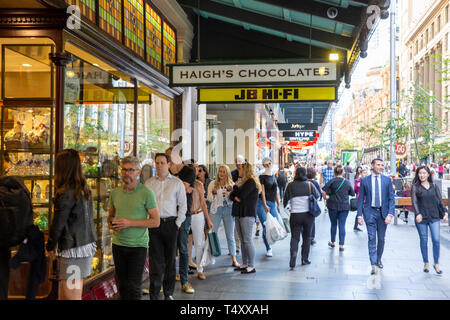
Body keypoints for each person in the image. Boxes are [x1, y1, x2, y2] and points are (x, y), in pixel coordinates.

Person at [46, 149, 97, 300]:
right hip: (83, 245)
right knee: (68, 293)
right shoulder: (82, 188)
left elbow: (58, 224)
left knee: (71, 295)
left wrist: (49, 246)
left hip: (73, 249)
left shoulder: (66, 192)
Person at [108, 156, 160, 300]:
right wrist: (112, 224)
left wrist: (129, 223)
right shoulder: (115, 193)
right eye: (124, 169)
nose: (126, 173)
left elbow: (156, 221)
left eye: (131, 170)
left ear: (138, 172)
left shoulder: (146, 193)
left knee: (133, 286)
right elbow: (110, 216)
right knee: (123, 286)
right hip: (118, 244)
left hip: (138, 246)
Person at [144, 153, 187, 300]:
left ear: (168, 164)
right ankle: (154, 294)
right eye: (157, 163)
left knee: (170, 260)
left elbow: (183, 205)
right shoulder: (149, 183)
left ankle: (168, 293)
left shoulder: (176, 183)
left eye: (162, 163)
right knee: (155, 262)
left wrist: (177, 224)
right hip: (154, 225)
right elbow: (144, 205)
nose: (159, 165)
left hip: (171, 225)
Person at [165, 147, 196, 294]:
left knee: (182, 248)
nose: (167, 161)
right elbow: (177, 189)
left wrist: (176, 185)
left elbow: (182, 188)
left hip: (184, 214)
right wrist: (181, 187)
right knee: (167, 249)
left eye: (169, 157)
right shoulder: (168, 172)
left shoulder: (189, 171)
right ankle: (164, 282)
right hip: (167, 214)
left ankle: (184, 281)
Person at [356, 158, 395, 275]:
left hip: (383, 214)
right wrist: (359, 215)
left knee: (381, 239)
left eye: (382, 165)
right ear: (372, 166)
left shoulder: (387, 180)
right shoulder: (365, 181)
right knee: (372, 238)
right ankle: (373, 263)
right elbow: (360, 199)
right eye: (378, 165)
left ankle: (378, 258)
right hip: (370, 213)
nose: (381, 167)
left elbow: (391, 199)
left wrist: (390, 214)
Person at [411, 166, 448, 274]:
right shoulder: (415, 187)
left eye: (424, 173)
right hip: (421, 217)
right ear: (418, 174)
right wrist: (417, 213)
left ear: (428, 174)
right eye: (420, 173)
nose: (422, 175)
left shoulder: (434, 186)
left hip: (434, 216)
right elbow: (414, 202)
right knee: (424, 239)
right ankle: (426, 262)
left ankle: (436, 263)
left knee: (436, 240)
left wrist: (445, 212)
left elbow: (440, 201)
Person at [284, 167, 320, 269]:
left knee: (295, 237)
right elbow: (318, 196)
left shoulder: (291, 185)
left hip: (295, 215)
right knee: (307, 237)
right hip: (308, 215)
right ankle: (305, 259)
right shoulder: (309, 184)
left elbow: (285, 199)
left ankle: (293, 255)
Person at [229, 162, 261, 274]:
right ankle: (245, 263)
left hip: (247, 214)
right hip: (239, 213)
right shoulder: (243, 183)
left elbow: (241, 196)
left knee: (247, 240)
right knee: (242, 241)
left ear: (246, 170)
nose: (239, 171)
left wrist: (235, 188)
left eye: (240, 169)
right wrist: (236, 194)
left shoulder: (251, 182)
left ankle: (251, 265)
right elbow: (232, 196)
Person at [208, 164, 239, 267]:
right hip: (216, 210)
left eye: (223, 172)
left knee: (230, 235)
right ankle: (210, 256)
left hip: (228, 210)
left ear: (227, 173)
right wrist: (214, 193)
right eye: (220, 171)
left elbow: (234, 199)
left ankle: (234, 258)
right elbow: (209, 199)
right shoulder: (213, 183)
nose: (221, 173)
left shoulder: (231, 184)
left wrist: (232, 192)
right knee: (213, 233)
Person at [323, 165, 355, 252]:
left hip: (332, 206)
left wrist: (326, 198)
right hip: (344, 207)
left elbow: (323, 191)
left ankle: (333, 242)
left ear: (334, 172)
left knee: (333, 224)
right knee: (342, 225)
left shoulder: (331, 181)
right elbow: (352, 193)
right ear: (343, 173)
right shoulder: (347, 182)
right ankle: (341, 245)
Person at [256, 158, 281, 257]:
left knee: (275, 222)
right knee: (266, 226)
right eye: (266, 164)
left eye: (269, 163)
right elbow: (262, 191)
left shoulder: (274, 175)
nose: (268, 165)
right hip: (262, 203)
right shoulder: (262, 176)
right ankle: (268, 248)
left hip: (272, 203)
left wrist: (278, 204)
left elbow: (276, 191)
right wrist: (265, 204)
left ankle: (269, 242)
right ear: (263, 166)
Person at [231, 155, 245, 249]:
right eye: (236, 161)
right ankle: (236, 246)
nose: (238, 163)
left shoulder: (247, 174)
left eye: (240, 161)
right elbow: (230, 188)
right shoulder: (233, 173)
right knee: (236, 226)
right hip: (236, 202)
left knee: (244, 227)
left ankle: (244, 244)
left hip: (245, 203)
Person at [306, 167, 322, 245]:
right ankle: (311, 238)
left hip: (304, 204)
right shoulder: (315, 183)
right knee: (312, 221)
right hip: (312, 205)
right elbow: (319, 194)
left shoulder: (304, 182)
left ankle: (305, 236)